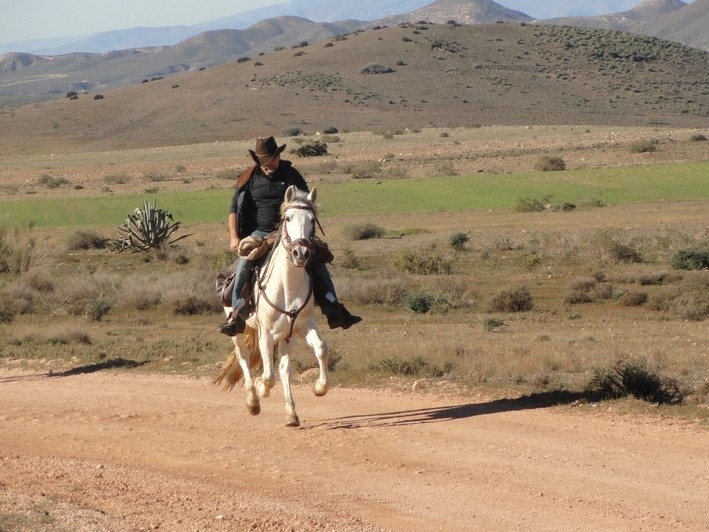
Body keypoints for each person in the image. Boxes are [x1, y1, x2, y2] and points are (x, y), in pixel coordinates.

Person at [219, 136, 361, 336]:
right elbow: (234, 210)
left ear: (278, 156)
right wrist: (234, 238)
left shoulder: (291, 174)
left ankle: (334, 309)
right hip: (260, 233)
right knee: (243, 267)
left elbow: (306, 203)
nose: (269, 165)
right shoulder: (248, 179)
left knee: (318, 262)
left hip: (291, 231)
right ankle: (236, 314)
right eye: (264, 162)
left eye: (272, 160)